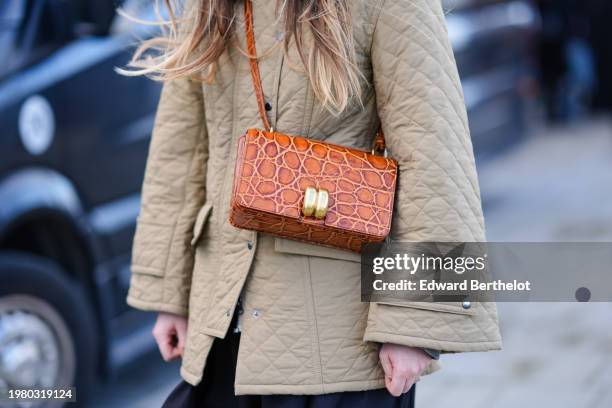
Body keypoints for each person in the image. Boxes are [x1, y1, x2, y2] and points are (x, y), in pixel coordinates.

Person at [123, 0, 502, 406]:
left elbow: (435, 158)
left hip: (339, 341)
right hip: (222, 329)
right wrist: (170, 295)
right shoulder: (207, 5)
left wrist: (415, 329)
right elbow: (181, 153)